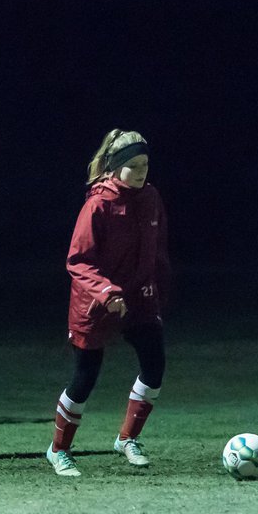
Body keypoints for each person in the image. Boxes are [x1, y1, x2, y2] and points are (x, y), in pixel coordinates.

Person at [45, 129, 170, 477]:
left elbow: (157, 251)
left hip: (139, 298)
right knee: (85, 379)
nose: (141, 171)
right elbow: (78, 260)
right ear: (115, 168)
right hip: (96, 302)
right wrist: (106, 292)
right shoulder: (98, 204)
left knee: (155, 366)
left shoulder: (151, 198)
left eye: (145, 163)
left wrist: (160, 288)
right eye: (133, 165)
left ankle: (127, 439)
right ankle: (59, 450)